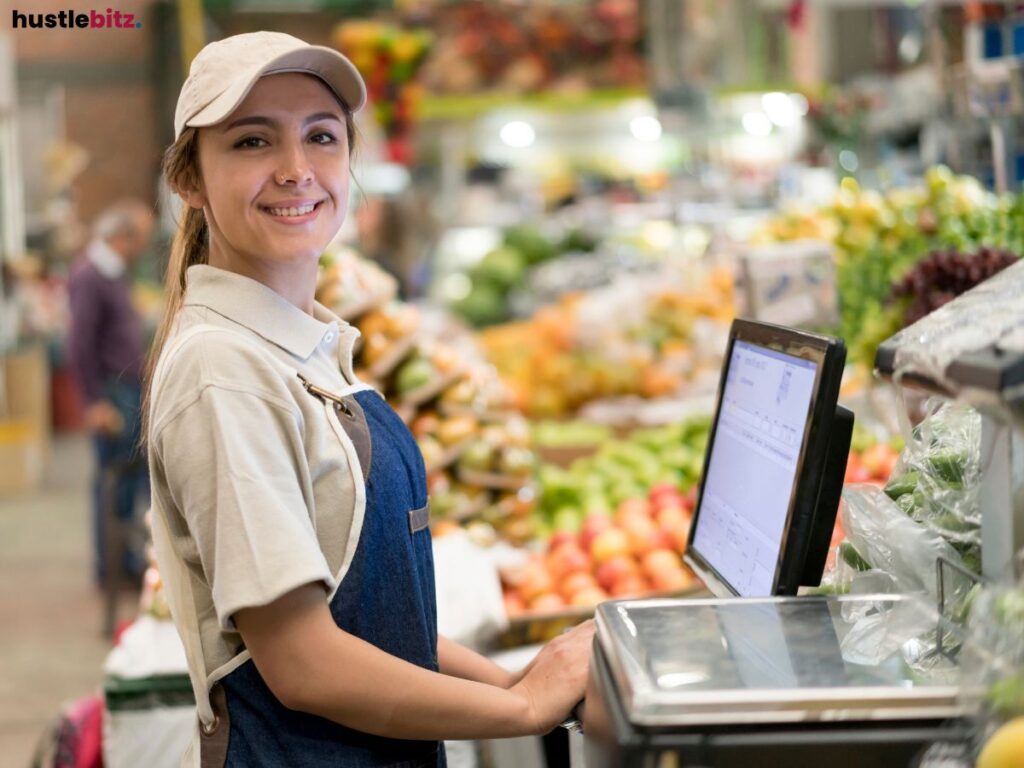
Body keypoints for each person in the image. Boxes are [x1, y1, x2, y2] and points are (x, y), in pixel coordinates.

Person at [145, 31, 594, 767]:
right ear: (189, 180)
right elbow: (305, 663)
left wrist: (517, 680)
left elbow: (369, 627)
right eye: (253, 141)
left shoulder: (304, 346)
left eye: (321, 137)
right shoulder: (223, 369)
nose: (297, 171)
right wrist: (521, 709)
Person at [68, 197, 154, 584]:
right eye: (137, 240)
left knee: (129, 479)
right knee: (115, 479)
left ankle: (127, 560)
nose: (139, 249)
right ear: (121, 237)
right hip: (112, 391)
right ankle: (114, 567)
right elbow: (80, 342)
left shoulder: (110, 273)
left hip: (125, 387)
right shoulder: (91, 276)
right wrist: (93, 401)